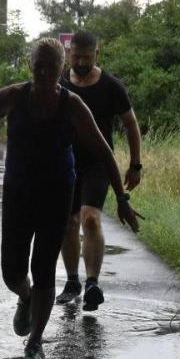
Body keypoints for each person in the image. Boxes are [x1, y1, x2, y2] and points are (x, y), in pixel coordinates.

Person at [0, 38, 141, 359]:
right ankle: (25, 295)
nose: (46, 72)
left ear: (62, 68)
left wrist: (121, 198)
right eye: (39, 66)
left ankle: (35, 344)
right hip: (19, 194)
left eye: (52, 66)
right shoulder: (14, 97)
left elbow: (105, 151)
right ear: (29, 65)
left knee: (44, 267)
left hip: (57, 194)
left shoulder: (73, 105)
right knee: (12, 273)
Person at [56, 31, 142, 311]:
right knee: (67, 224)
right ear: (69, 54)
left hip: (98, 164)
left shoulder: (111, 87)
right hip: (65, 163)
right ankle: (72, 282)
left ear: (97, 54)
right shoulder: (59, 85)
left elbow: (131, 125)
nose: (80, 62)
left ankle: (92, 282)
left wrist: (135, 164)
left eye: (86, 57)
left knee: (90, 218)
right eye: (75, 56)